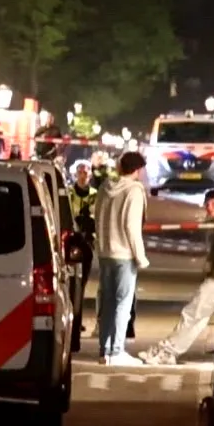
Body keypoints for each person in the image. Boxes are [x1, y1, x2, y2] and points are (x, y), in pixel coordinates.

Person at [140, 188, 214, 365]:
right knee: (198, 317)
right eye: (207, 204)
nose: (209, 208)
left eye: (213, 203)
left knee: (191, 314)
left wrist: (213, 275)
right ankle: (170, 351)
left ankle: (167, 351)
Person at [93, 150, 150, 365]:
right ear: (136, 170)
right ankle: (117, 351)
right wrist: (140, 257)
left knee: (107, 302)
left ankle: (104, 350)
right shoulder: (134, 191)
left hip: (106, 253)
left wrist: (100, 246)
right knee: (123, 303)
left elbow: (97, 218)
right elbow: (131, 226)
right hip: (124, 254)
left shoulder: (104, 188)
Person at [67, 161, 99, 350]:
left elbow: (97, 216)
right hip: (70, 242)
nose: (83, 175)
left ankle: (76, 321)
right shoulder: (69, 193)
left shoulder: (95, 195)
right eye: (80, 172)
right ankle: (72, 320)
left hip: (86, 244)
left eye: (86, 172)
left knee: (81, 284)